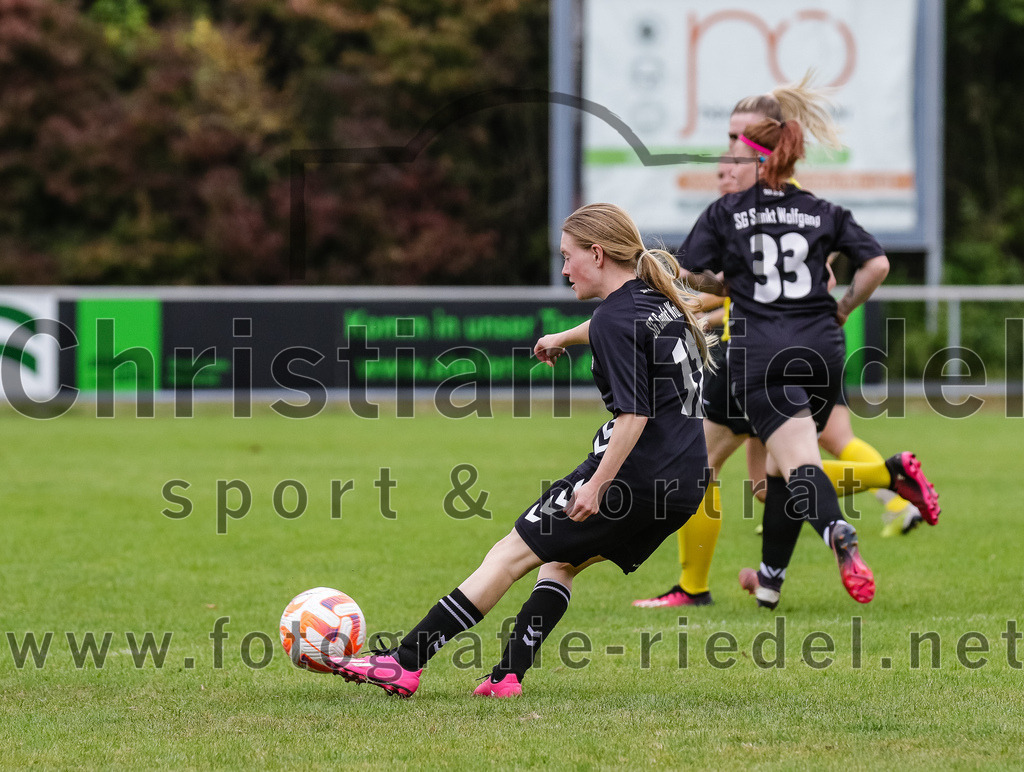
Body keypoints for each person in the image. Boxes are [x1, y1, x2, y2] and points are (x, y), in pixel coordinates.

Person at [331, 203, 716, 697]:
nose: (563, 269)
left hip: (632, 476)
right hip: (683, 483)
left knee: (509, 555)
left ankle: (404, 663)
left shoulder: (614, 320)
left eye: (567, 256)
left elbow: (633, 416)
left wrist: (598, 486)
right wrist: (564, 336)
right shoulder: (656, 297)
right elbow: (615, 331)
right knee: (561, 562)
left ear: (596, 254)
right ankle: (506, 676)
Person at [633, 79, 930, 610]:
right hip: (811, 346)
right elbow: (865, 266)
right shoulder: (815, 211)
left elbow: (699, 273)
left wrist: (705, 291)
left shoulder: (736, 212)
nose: (726, 157)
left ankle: (877, 488)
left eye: (737, 143)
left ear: (763, 149)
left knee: (773, 467)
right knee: (763, 473)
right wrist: (836, 309)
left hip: (757, 352)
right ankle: (762, 581)